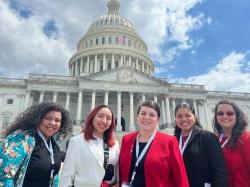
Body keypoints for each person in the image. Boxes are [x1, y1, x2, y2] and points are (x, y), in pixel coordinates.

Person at [0, 102, 73, 187]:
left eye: (57, 120)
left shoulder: (53, 144)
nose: (53, 123)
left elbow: (53, 176)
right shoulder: (20, 138)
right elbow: (4, 176)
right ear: (38, 119)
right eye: (48, 118)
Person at [119, 100, 189, 187]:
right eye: (143, 113)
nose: (146, 117)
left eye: (152, 115)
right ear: (137, 116)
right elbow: (121, 173)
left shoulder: (169, 142)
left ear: (158, 119)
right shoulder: (127, 140)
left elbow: (180, 178)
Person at [60, 105, 119, 187]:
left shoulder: (115, 144)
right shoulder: (77, 141)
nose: (104, 121)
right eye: (100, 116)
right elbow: (67, 176)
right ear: (92, 117)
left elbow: (117, 174)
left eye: (109, 118)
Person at [174, 102, 227, 187]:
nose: (183, 119)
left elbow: (219, 172)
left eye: (188, 115)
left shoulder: (208, 137)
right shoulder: (173, 141)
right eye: (179, 116)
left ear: (194, 117)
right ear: (175, 119)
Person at [213, 100, 250, 187]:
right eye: (220, 113)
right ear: (216, 117)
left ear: (237, 116)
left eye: (230, 113)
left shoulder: (245, 138)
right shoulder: (214, 139)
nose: (225, 116)